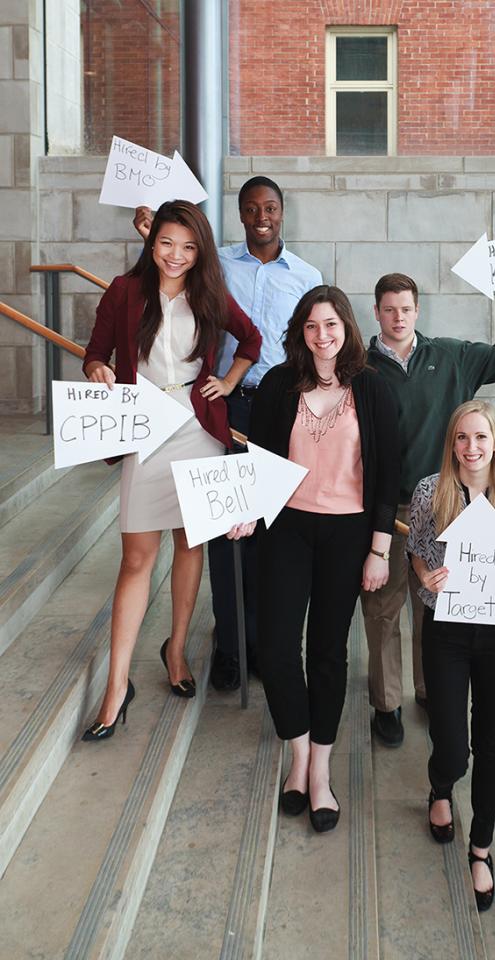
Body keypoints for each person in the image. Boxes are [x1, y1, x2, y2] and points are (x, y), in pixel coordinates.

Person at [81, 200, 261, 741]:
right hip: (143, 428)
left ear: (199, 248)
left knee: (190, 544)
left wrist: (227, 383)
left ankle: (176, 651)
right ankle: (116, 686)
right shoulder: (124, 291)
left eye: (187, 246)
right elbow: (93, 354)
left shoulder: (209, 294)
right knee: (136, 558)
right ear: (149, 240)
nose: (176, 255)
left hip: (197, 429)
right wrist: (99, 370)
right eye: (166, 243)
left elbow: (251, 340)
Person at [135, 178, 322, 691]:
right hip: (227, 408)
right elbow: (169, 272)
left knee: (270, 528)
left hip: (283, 407)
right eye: (251, 209)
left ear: (283, 212)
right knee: (222, 528)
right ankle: (230, 647)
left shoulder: (307, 275)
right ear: (240, 214)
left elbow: (312, 341)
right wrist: (150, 235)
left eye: (271, 208)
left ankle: (262, 644)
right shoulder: (216, 266)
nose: (262, 216)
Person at [362, 268, 495, 747]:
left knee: (437, 604)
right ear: (376, 313)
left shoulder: (450, 356)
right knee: (383, 608)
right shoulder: (361, 369)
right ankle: (386, 704)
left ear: (417, 311)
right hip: (388, 505)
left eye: (405, 308)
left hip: (446, 502)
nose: (397, 317)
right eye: (389, 309)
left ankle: (431, 691)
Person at [248, 285, 399, 832]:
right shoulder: (276, 386)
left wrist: (379, 548)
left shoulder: (373, 390)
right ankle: (298, 755)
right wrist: (247, 510)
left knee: (329, 651)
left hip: (348, 534)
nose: (322, 336)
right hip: (287, 527)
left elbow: (387, 477)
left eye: (331, 325)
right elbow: (258, 460)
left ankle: (321, 773)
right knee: (279, 645)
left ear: (347, 329)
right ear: (300, 332)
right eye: (312, 326)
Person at [407, 400, 495, 911]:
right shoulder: (428, 491)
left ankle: (480, 847)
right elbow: (415, 547)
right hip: (447, 628)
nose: (472, 447)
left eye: (481, 437)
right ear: (452, 443)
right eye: (463, 437)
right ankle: (441, 785)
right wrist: (423, 576)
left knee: (491, 739)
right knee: (454, 742)